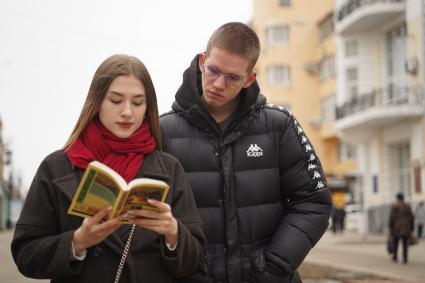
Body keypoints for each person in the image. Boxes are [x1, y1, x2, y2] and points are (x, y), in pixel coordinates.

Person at [160, 22, 333, 283]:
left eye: (233, 77)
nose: (218, 84)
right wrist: (190, 272)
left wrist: (273, 268)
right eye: (213, 71)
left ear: (249, 78)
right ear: (201, 61)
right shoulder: (164, 130)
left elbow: (312, 201)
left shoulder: (279, 125)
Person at [11, 54, 206, 283]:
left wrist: (174, 233)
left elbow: (194, 260)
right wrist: (77, 242)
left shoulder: (169, 168)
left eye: (137, 102)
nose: (127, 112)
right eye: (115, 100)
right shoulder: (56, 167)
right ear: (96, 102)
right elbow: (25, 255)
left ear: (148, 106)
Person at [389, 193, 414, 264]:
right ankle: (405, 258)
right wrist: (412, 228)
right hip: (406, 228)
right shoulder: (407, 206)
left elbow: (391, 218)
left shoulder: (394, 206)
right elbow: (412, 218)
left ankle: (395, 257)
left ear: (397, 198)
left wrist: (390, 227)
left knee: (396, 243)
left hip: (396, 228)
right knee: (405, 244)